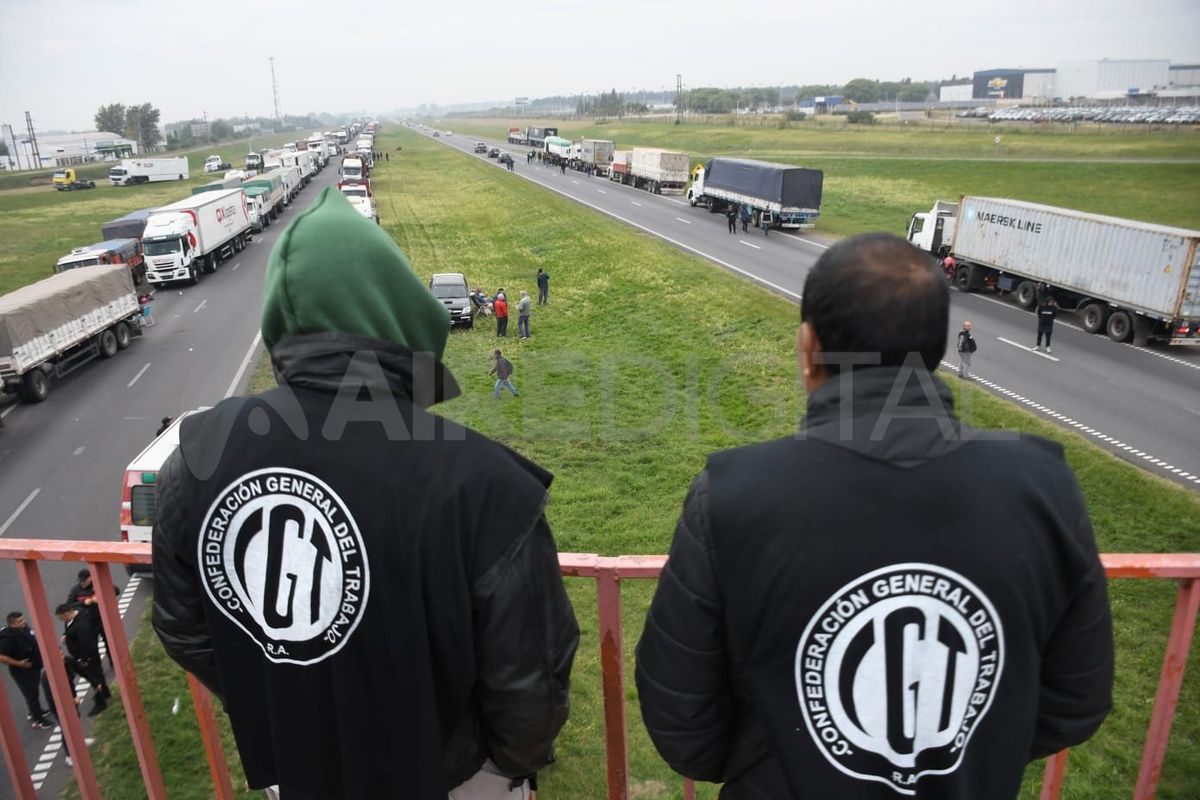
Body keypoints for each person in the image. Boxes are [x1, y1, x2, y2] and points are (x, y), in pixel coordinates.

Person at [635, 232, 1113, 800]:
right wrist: (963, 750)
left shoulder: (730, 495)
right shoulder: (1045, 486)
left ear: (809, 347)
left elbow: (680, 715)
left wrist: (779, 761)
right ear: (936, 350)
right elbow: (1075, 699)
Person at [151, 188, 578, 799]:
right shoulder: (486, 484)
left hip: (297, 772)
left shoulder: (194, 455)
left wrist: (290, 701)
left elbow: (183, 629)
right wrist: (489, 767)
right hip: (451, 778)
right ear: (398, 312)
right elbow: (530, 689)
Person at [0, 611, 55, 728]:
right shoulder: (8, 639)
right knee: (31, 695)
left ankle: (35, 711)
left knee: (34, 691)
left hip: (33, 667)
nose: (23, 622)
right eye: (20, 621)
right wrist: (19, 664)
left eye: (23, 619)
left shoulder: (23, 628)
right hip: (22, 671)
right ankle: (39, 720)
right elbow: (2, 657)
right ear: (12, 624)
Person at [55, 604, 110, 717]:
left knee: (94, 677)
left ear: (67, 614)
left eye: (61, 618)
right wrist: (66, 635)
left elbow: (87, 644)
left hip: (87, 657)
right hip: (85, 656)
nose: (61, 621)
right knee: (96, 674)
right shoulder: (76, 615)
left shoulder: (81, 626)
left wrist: (84, 659)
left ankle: (101, 702)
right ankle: (105, 693)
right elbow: (70, 628)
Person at [1035, 286, 1058, 353]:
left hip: (1049, 324)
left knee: (1048, 336)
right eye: (1050, 302)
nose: (1052, 303)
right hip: (1041, 323)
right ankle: (1037, 346)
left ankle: (1047, 347)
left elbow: (1054, 315)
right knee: (1039, 335)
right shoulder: (1042, 307)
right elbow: (1039, 313)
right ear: (1047, 302)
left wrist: (1050, 319)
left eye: (1052, 302)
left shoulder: (1053, 308)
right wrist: (1041, 319)